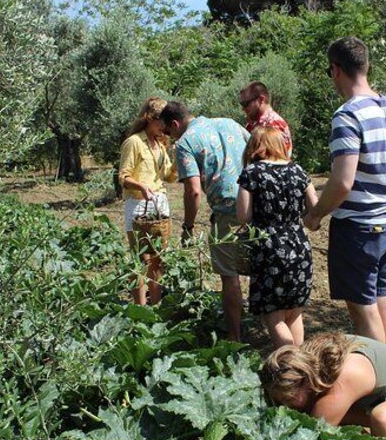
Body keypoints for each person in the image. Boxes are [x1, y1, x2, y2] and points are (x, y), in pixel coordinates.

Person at [303, 36, 386, 347]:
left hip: (361, 229)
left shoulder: (347, 115)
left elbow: (342, 182)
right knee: (384, 301)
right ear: (366, 66)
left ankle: (377, 382)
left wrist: (316, 214)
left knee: (364, 311)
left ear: (335, 70)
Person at [160, 101, 250, 342]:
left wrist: (188, 226)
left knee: (229, 275)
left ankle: (235, 336)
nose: (169, 137)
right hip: (254, 204)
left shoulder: (185, 143)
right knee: (259, 267)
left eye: (168, 132)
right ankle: (264, 325)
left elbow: (193, 191)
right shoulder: (229, 123)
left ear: (175, 124)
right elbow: (257, 152)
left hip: (227, 211)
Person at [236, 127, 317, 348]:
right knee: (294, 313)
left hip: (268, 248)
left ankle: (289, 361)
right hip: (299, 245)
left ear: (256, 146)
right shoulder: (299, 171)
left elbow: (243, 216)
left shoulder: (252, 173)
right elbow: (315, 209)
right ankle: (298, 365)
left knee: (274, 315)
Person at [118, 97, 177, 305]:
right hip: (138, 206)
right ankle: (140, 308)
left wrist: (177, 161)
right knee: (140, 259)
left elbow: (169, 176)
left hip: (159, 204)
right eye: (162, 120)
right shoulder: (134, 142)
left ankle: (156, 305)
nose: (165, 126)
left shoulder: (160, 145)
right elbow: (123, 177)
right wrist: (141, 186)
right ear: (150, 118)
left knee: (157, 259)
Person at [239, 81, 293, 158]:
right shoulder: (252, 124)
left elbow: (277, 161)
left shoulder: (274, 124)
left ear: (261, 99)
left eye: (246, 104)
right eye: (242, 104)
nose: (243, 108)